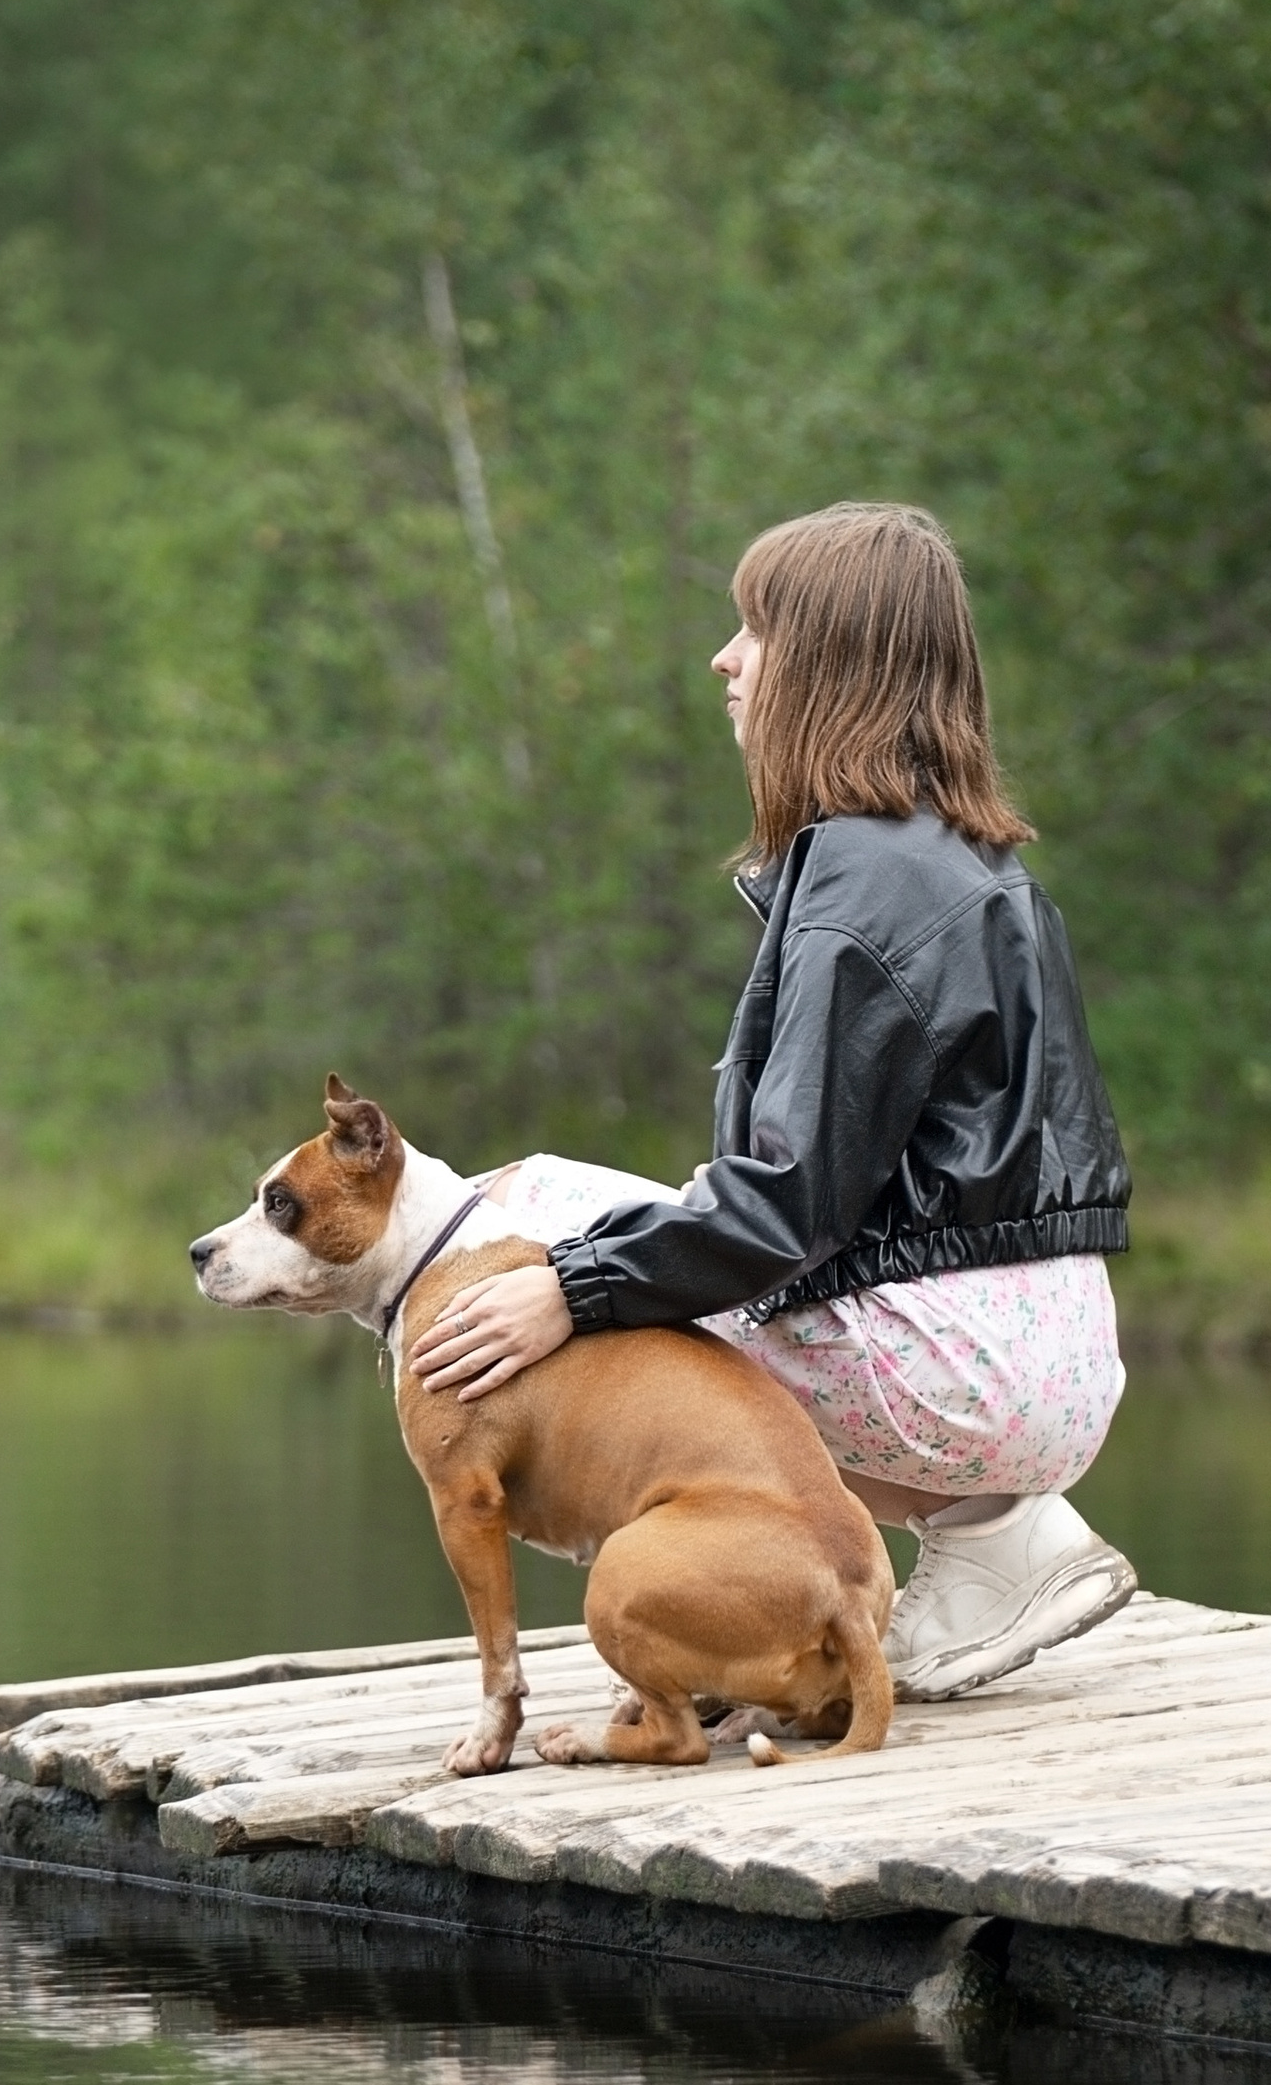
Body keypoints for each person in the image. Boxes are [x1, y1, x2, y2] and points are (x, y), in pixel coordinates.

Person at [408, 499, 1137, 1698]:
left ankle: (691, 1590)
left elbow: (780, 1211)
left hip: (963, 1377)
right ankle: (997, 1541)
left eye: (755, 630)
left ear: (831, 665)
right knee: (593, 1249)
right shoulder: (964, 856)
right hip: (1052, 1360)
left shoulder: (865, 878)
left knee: (532, 1217)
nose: (724, 658)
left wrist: (570, 1286)